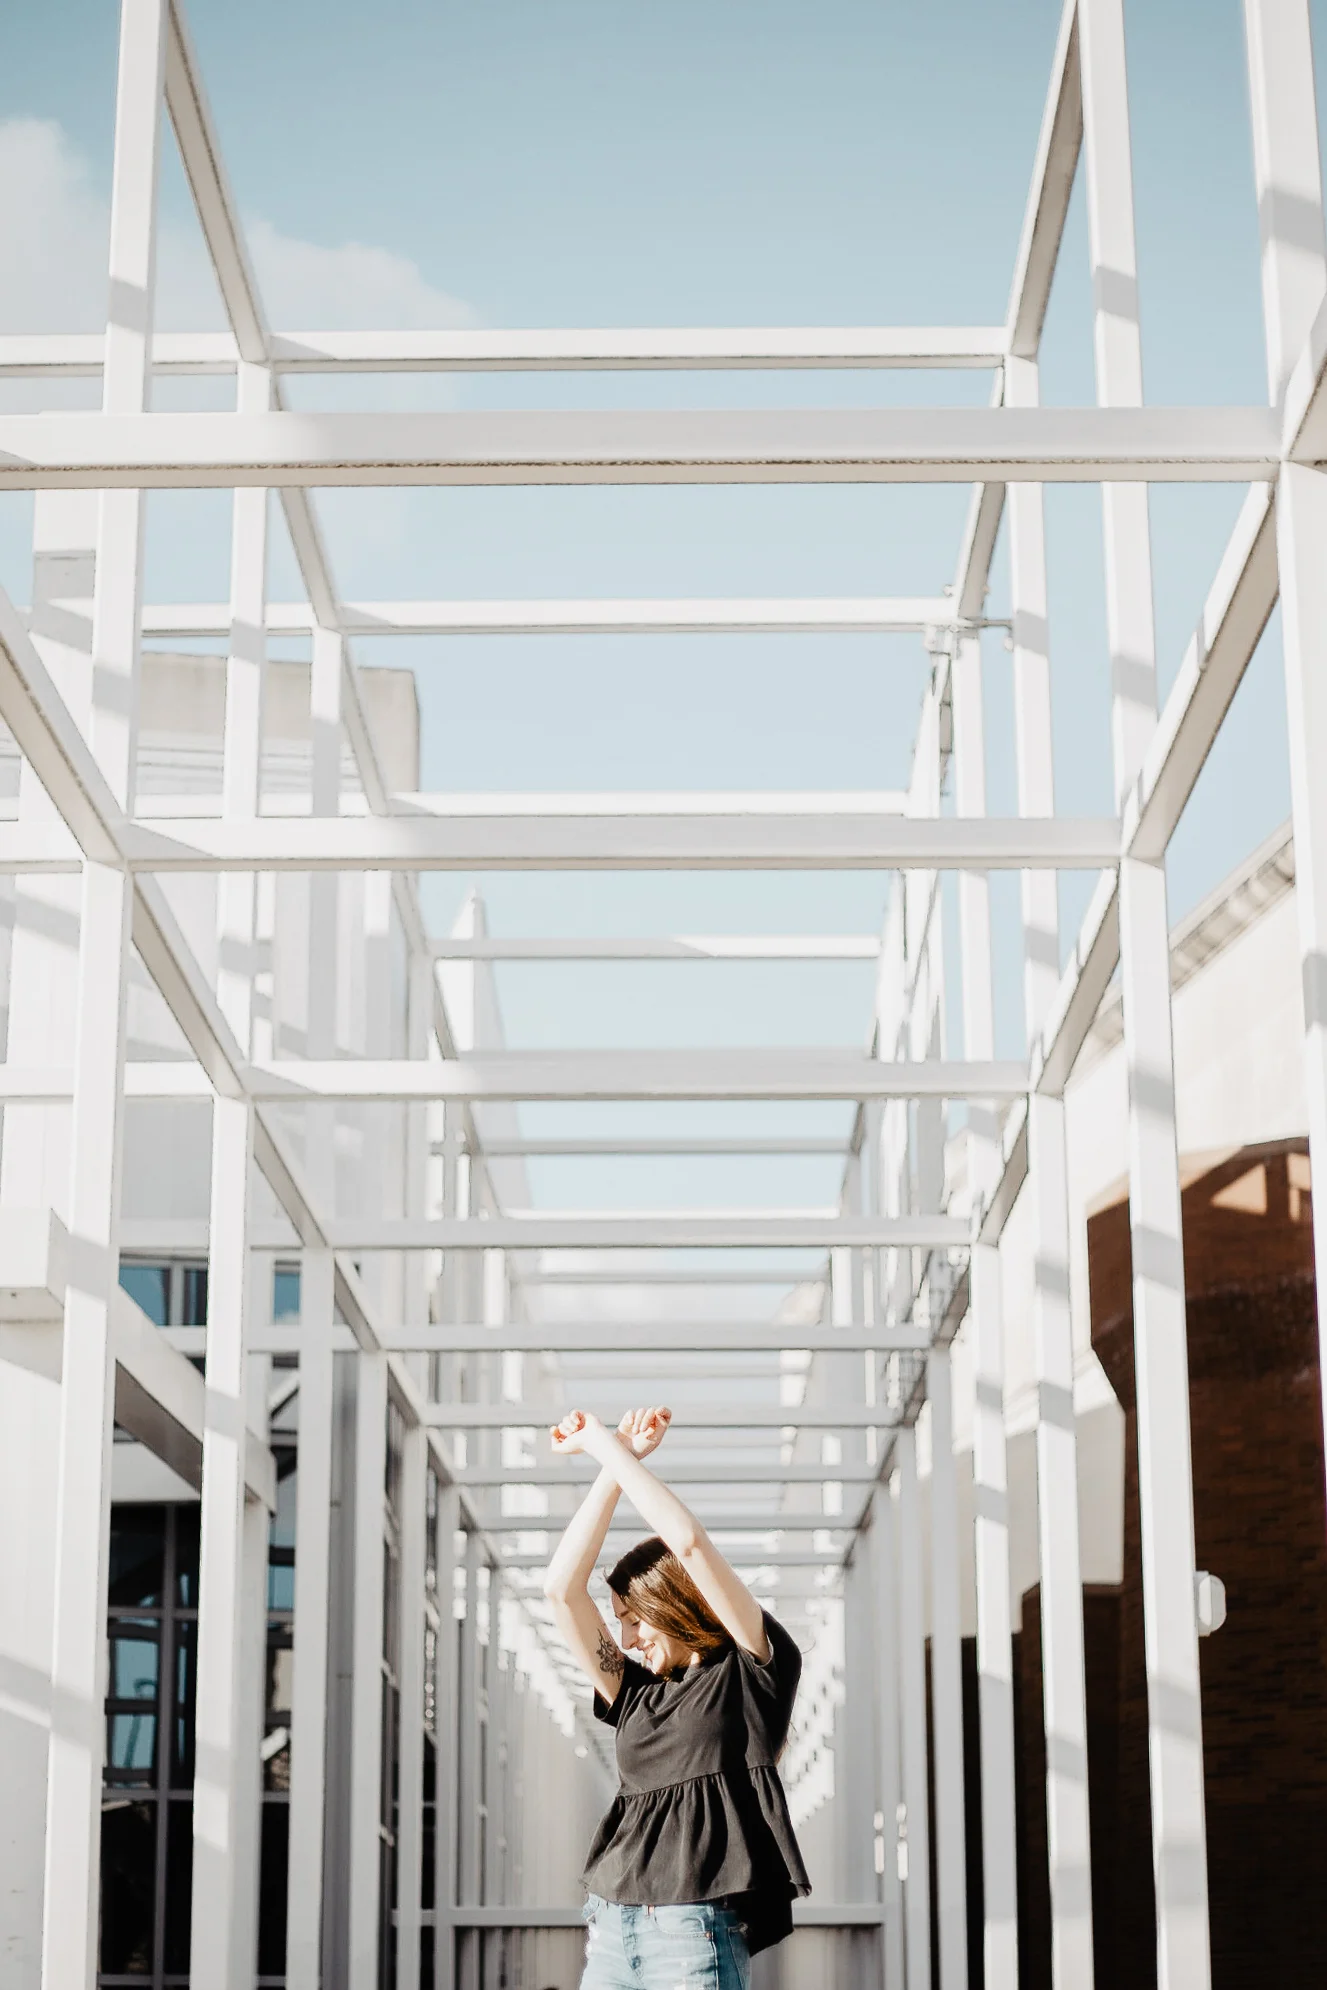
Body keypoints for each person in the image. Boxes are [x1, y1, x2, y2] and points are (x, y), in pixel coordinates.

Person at [542, 1403, 811, 1990]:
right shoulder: (634, 1695)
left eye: (634, 1619)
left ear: (671, 1604)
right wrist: (615, 1463)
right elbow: (561, 1591)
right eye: (618, 1623)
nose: (626, 1640)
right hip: (612, 1927)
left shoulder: (753, 1669)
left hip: (693, 1933)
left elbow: (687, 1544)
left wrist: (602, 1446)